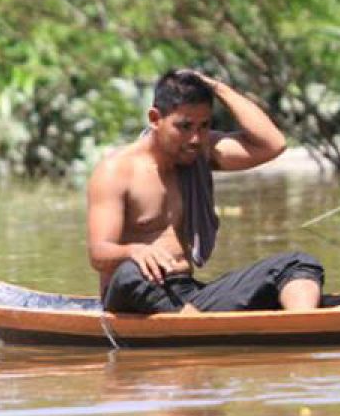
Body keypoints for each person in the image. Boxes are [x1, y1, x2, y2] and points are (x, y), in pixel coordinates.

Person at [88, 69, 324, 314]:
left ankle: (302, 322)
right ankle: (192, 317)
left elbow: (273, 144)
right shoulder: (116, 170)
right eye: (185, 126)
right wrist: (136, 250)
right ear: (155, 118)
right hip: (135, 293)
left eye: (204, 126)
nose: (195, 138)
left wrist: (217, 88)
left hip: (188, 294)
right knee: (129, 272)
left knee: (298, 264)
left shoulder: (201, 152)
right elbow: (99, 254)